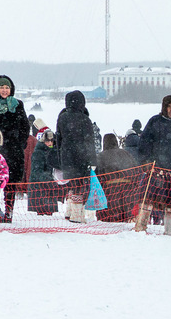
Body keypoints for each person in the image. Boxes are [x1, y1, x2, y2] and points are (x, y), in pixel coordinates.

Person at [134, 95, 171, 234]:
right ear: (164, 107)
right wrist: (145, 160)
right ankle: (141, 225)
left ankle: (170, 228)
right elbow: (144, 142)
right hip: (156, 169)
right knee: (148, 199)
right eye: (169, 107)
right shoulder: (155, 121)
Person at [0, 75, 30, 222]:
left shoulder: (18, 104)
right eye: (1, 87)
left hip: (14, 151)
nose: (4, 90)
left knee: (11, 183)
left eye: (7, 87)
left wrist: (20, 143)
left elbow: (25, 127)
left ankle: (9, 212)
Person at [53, 90, 98, 223]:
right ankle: (77, 215)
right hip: (81, 156)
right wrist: (92, 160)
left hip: (66, 155)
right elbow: (90, 142)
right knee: (80, 185)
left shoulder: (62, 117)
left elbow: (58, 139)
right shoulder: (85, 119)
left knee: (71, 184)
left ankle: (69, 211)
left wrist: (60, 155)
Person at [95, 132, 139, 222]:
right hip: (128, 189)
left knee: (112, 218)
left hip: (111, 190)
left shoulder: (101, 156)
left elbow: (97, 176)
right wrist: (135, 185)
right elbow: (136, 171)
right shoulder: (126, 154)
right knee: (128, 217)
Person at [27, 128, 58, 216]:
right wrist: (50, 179)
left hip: (48, 188)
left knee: (48, 216)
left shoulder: (53, 152)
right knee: (42, 217)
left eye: (52, 141)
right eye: (48, 141)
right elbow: (36, 171)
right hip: (40, 189)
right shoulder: (38, 153)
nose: (50, 143)